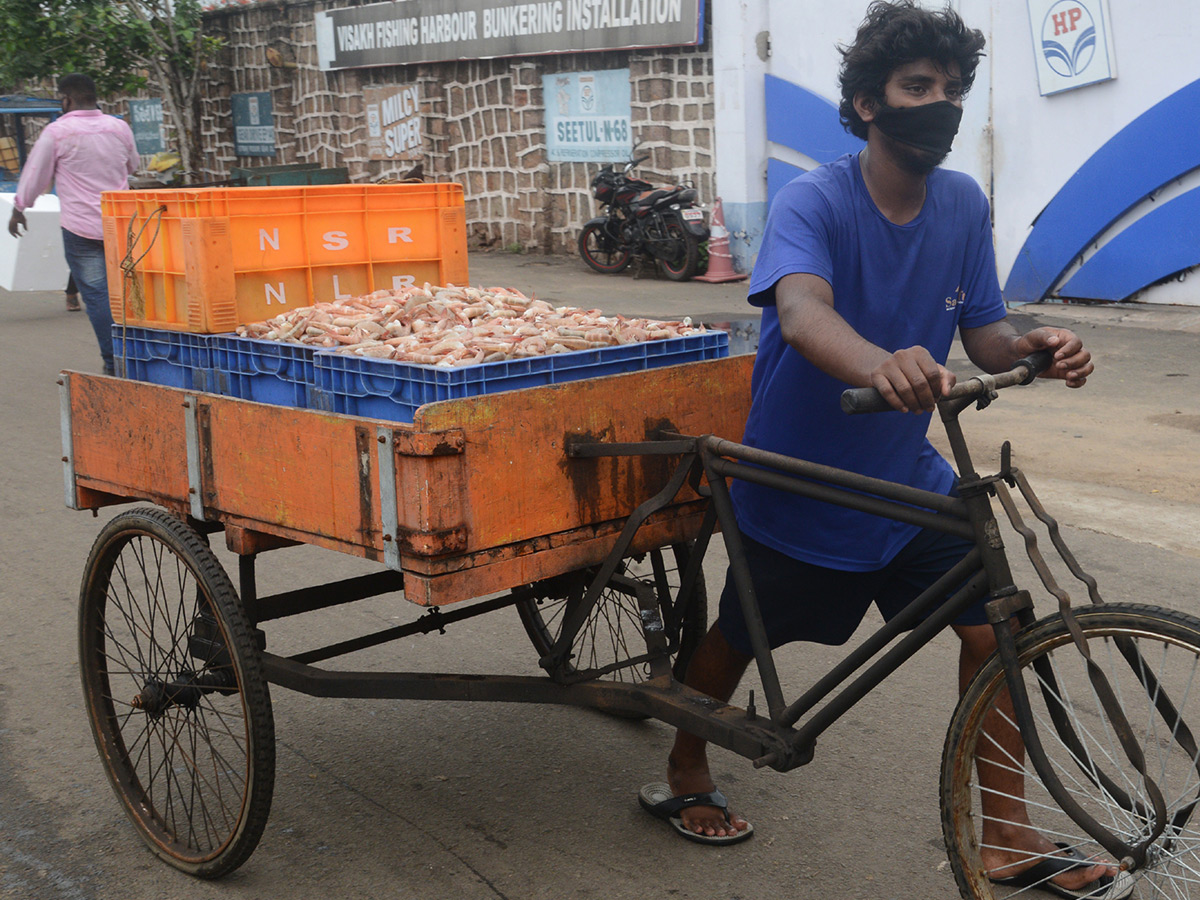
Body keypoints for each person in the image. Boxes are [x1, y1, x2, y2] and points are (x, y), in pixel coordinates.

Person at [640, 3, 1119, 897]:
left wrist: (1037, 348)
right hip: (800, 480)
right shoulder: (813, 200)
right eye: (916, 87)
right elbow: (802, 311)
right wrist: (881, 360)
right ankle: (685, 764)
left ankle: (1007, 837)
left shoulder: (963, 203)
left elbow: (985, 336)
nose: (938, 103)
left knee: (1000, 630)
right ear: (867, 104)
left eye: (951, 88)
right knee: (741, 636)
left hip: (905, 481)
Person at [7, 74, 139, 375]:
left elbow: (35, 175)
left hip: (81, 229)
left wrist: (19, 208)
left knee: (97, 297)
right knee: (128, 294)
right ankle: (140, 358)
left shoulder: (58, 132)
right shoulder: (119, 127)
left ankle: (115, 363)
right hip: (122, 226)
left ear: (66, 100)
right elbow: (133, 165)